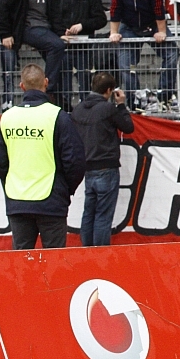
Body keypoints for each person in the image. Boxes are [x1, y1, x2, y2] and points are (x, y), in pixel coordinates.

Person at [0, 63, 86, 249]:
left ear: (22, 86)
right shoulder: (58, 116)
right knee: (54, 265)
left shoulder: (8, 117)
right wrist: (64, 190)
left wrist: (14, 186)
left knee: (22, 264)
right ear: (46, 82)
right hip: (51, 201)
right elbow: (75, 161)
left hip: (17, 200)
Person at [71, 71, 134, 247]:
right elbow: (128, 127)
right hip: (106, 166)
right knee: (102, 215)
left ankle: (86, 252)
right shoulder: (107, 109)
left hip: (87, 167)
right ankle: (100, 254)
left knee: (88, 212)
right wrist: (121, 105)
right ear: (109, 90)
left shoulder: (78, 110)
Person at [109, 0, 179, 107]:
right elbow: (115, 8)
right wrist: (113, 32)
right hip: (129, 26)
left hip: (152, 23)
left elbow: (159, 7)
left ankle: (164, 96)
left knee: (172, 53)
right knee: (125, 64)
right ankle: (133, 101)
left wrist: (161, 31)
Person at [54, 0, 108, 106]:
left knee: (85, 82)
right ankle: (65, 111)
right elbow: (52, 19)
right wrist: (61, 32)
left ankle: (86, 110)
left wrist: (82, 25)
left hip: (84, 47)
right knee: (64, 85)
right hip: (63, 47)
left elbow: (101, 19)